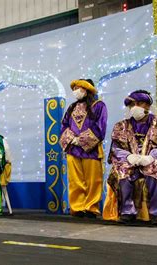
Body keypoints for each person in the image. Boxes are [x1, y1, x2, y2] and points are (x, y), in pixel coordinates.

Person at [104, 90, 157, 225]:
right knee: (121, 171)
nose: (135, 107)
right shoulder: (121, 126)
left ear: (148, 105)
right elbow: (115, 149)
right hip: (132, 161)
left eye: (139, 103)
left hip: (155, 160)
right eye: (132, 104)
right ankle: (127, 211)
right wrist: (128, 156)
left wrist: (153, 155)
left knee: (155, 170)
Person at [59, 79, 107, 218]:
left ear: (87, 90)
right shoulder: (71, 108)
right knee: (75, 180)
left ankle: (91, 207)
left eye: (79, 88)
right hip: (73, 149)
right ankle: (77, 207)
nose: (76, 91)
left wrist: (81, 140)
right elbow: (64, 126)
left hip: (90, 150)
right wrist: (71, 139)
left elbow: (100, 127)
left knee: (93, 181)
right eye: (74, 88)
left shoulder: (99, 106)